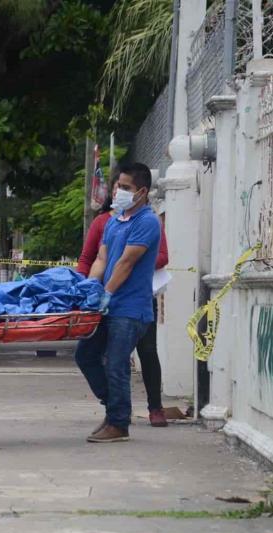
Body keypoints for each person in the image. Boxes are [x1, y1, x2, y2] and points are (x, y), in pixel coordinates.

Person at [75, 162, 161, 443]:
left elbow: (126, 263)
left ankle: (119, 423)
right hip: (108, 305)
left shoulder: (147, 222)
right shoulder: (114, 221)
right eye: (117, 187)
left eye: (125, 188)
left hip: (130, 308)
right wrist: (89, 287)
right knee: (85, 355)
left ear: (142, 192)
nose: (118, 192)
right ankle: (115, 410)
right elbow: (102, 258)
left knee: (116, 363)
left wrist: (107, 293)